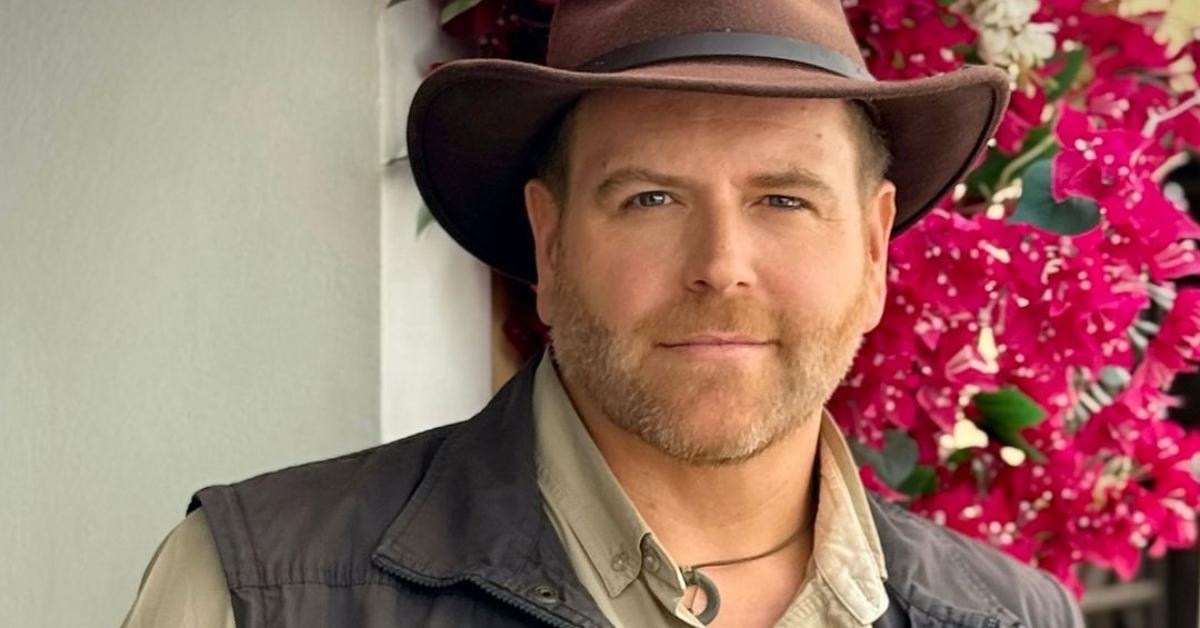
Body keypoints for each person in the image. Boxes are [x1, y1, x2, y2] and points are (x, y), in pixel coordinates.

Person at [121, 0, 1089, 626]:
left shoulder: (1016, 619)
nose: (721, 267)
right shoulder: (260, 593)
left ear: (874, 250)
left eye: (785, 200)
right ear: (550, 246)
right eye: (650, 199)